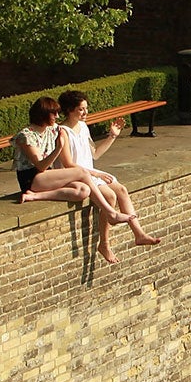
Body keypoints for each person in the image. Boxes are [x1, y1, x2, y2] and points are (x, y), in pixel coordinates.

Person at [54, 89, 161, 261]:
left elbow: (94, 154)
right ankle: (104, 244)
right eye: (81, 109)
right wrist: (95, 173)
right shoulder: (63, 132)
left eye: (86, 108)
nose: (85, 112)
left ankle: (139, 233)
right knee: (110, 196)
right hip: (75, 177)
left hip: (90, 172)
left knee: (122, 190)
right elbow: (68, 163)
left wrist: (112, 136)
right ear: (69, 110)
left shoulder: (83, 127)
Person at [14, 96, 94, 208]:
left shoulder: (52, 129)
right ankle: (110, 212)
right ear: (43, 114)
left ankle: (35, 196)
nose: (57, 116)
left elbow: (67, 127)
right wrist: (58, 148)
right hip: (32, 178)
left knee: (83, 190)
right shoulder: (26, 136)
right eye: (54, 113)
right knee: (82, 172)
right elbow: (41, 166)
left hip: (47, 175)